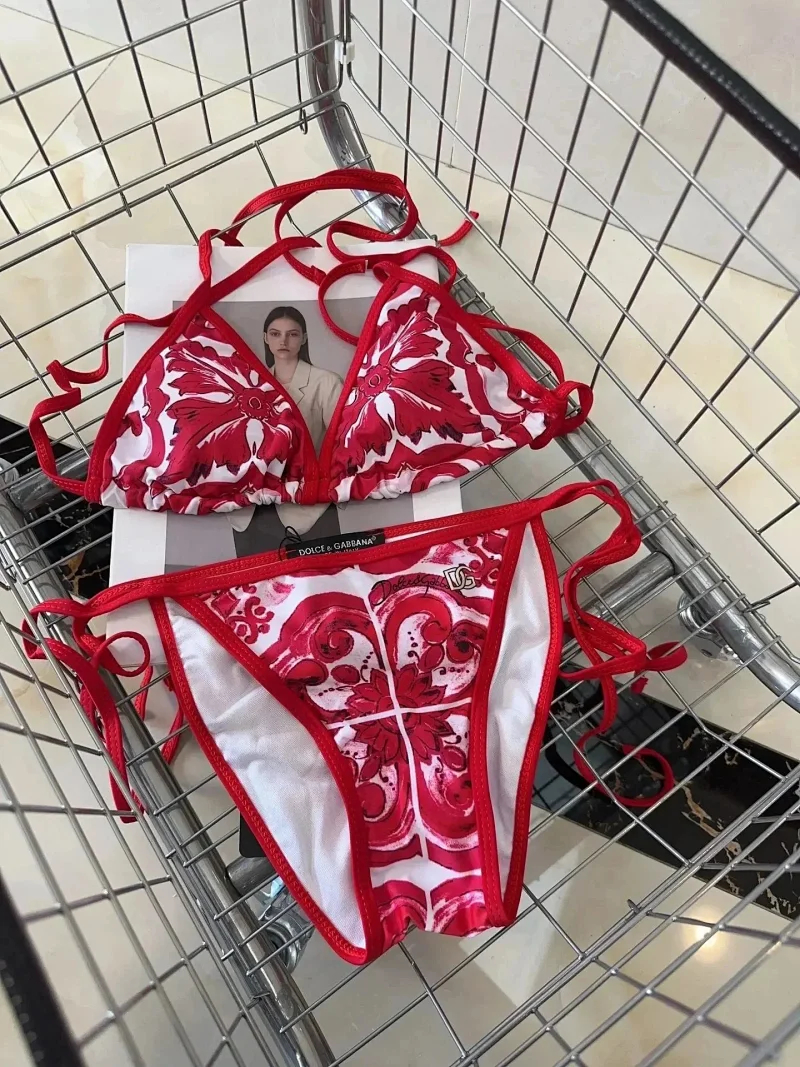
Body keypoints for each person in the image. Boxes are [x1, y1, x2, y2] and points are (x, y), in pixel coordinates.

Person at [232, 306, 344, 556]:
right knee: (256, 580)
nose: (283, 341)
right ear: (265, 338)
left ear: (303, 338)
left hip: (308, 510)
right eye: (275, 334)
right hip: (253, 512)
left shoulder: (326, 382)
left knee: (323, 578)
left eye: (292, 334)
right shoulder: (248, 384)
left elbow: (344, 443)